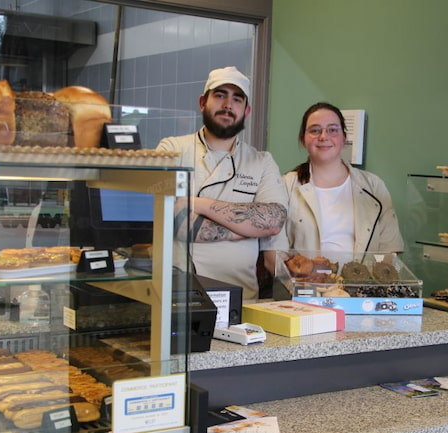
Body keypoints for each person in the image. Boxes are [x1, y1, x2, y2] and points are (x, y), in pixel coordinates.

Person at [157, 66, 287, 301]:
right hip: (176, 295)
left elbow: (274, 219)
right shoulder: (171, 149)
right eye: (220, 95)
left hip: (241, 297)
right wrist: (246, 229)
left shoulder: (262, 162)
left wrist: (199, 204)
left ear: (246, 111)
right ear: (202, 102)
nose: (228, 105)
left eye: (237, 99)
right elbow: (169, 219)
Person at [281, 102, 403, 257]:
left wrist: (372, 279)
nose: (323, 137)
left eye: (332, 130)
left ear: (344, 138)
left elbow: (389, 251)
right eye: (315, 130)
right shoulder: (285, 186)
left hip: (361, 280)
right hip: (303, 281)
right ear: (303, 139)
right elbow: (275, 254)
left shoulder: (373, 186)